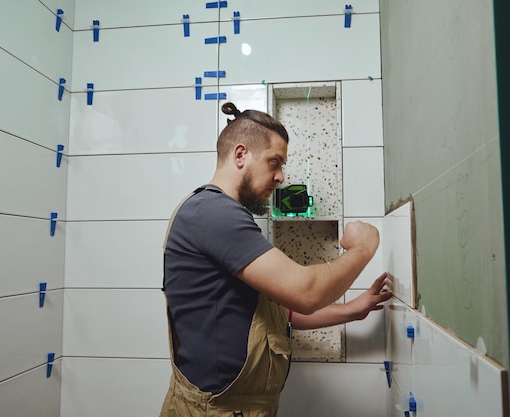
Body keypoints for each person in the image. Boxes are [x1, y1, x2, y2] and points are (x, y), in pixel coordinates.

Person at [159, 102, 393, 417]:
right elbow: (306, 292)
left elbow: (275, 313)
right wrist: (363, 248)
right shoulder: (214, 214)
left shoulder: (218, 215)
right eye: (274, 162)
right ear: (240, 155)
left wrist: (353, 310)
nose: (281, 177)